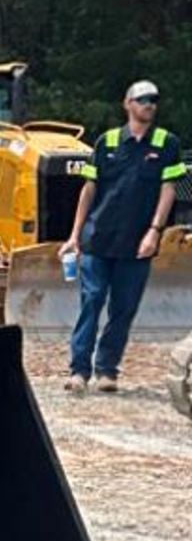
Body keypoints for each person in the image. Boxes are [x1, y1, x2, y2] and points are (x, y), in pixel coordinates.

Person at [61, 80, 185, 391]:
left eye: (154, 100)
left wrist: (155, 232)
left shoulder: (166, 144)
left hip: (137, 243)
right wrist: (75, 235)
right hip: (98, 239)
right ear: (127, 103)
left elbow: (167, 190)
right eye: (143, 100)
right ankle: (79, 371)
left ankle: (107, 370)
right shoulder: (108, 142)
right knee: (92, 300)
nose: (149, 105)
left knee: (124, 308)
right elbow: (89, 190)